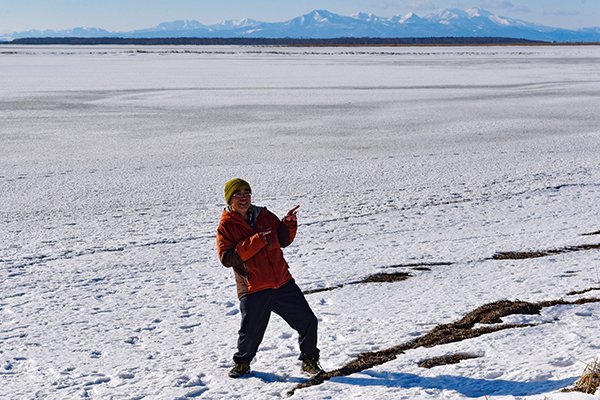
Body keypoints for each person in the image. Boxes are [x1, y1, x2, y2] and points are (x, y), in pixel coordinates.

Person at [216, 178, 322, 378]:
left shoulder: (264, 215)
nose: (244, 197)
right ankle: (242, 363)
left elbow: (282, 240)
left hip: (281, 281)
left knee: (308, 321)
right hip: (253, 286)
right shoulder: (226, 226)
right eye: (238, 193)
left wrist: (288, 225)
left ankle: (309, 361)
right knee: (250, 332)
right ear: (230, 198)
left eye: (247, 192)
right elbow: (227, 258)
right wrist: (256, 241)